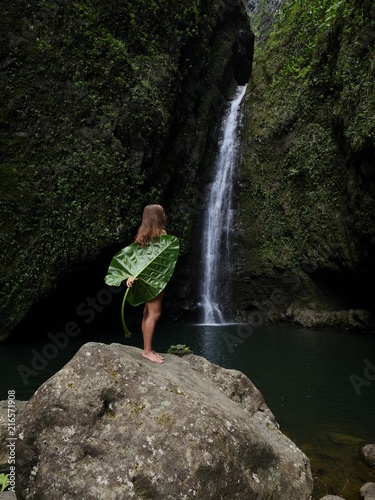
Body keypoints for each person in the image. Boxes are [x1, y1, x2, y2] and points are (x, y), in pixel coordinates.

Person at [126, 204, 167, 364]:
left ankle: (147, 348)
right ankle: (147, 351)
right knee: (154, 314)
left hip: (143, 280)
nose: (165, 215)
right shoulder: (161, 236)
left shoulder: (142, 237)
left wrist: (131, 275)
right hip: (155, 280)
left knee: (146, 313)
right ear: (158, 217)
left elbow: (135, 259)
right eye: (162, 213)